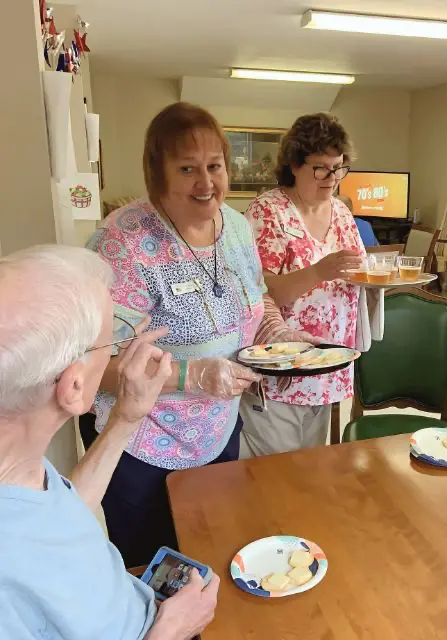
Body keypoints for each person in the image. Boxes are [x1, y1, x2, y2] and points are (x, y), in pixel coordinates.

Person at [84, 102, 306, 568]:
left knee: (214, 550)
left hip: (219, 428)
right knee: (157, 570)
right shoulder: (123, 244)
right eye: (187, 169)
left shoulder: (239, 229)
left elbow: (257, 298)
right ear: (157, 172)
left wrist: (280, 338)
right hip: (142, 444)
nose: (206, 184)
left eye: (214, 166)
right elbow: (93, 367)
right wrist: (192, 375)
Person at [0, 245, 219, 640]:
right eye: (112, 340)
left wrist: (126, 416)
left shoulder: (17, 461)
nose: (123, 346)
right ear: (74, 386)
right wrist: (171, 629)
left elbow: (60, 519)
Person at [240, 113, 366, 456]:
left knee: (311, 466)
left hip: (328, 359)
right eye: (321, 168)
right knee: (275, 473)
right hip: (283, 363)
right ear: (295, 164)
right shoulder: (268, 212)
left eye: (339, 167)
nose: (332, 178)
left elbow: (357, 271)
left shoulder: (340, 212)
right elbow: (260, 294)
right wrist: (318, 272)